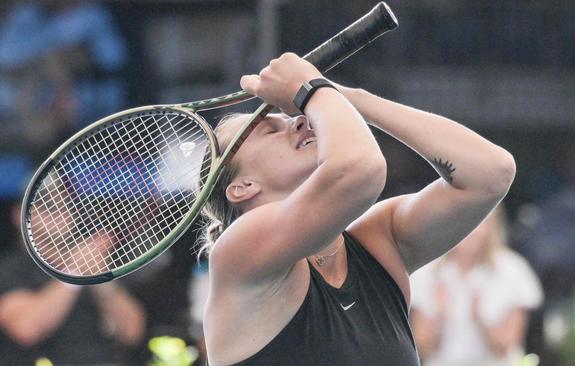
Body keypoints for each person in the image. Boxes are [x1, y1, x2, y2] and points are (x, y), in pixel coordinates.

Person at [201, 53, 516, 365]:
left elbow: (491, 173)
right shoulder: (239, 252)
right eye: (271, 130)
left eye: (292, 115)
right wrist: (309, 88)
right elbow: (361, 169)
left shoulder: (375, 241)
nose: (298, 119)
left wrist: (339, 95)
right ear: (242, 188)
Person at [0, 202, 146, 365]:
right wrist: (75, 271)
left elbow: (132, 333)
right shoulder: (10, 269)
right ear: (18, 214)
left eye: (65, 207)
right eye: (47, 208)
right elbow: (26, 329)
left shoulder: (98, 263)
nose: (57, 216)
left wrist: (101, 280)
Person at [409, 205, 543, 366]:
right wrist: (439, 316)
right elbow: (422, 348)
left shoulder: (513, 271)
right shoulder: (427, 272)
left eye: (479, 222)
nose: (470, 231)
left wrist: (480, 319)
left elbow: (506, 346)